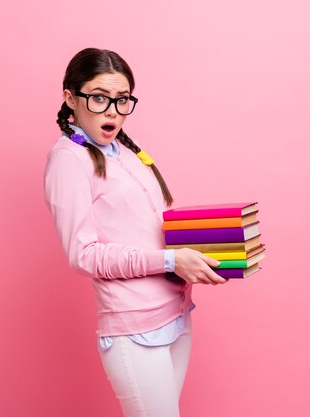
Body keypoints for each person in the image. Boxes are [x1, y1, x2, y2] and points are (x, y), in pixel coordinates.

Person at [43, 48, 228, 417]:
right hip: (134, 328)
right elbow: (84, 255)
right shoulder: (68, 159)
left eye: (122, 100)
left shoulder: (126, 149)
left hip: (176, 313)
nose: (112, 110)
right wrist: (172, 259)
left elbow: (153, 224)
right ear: (70, 97)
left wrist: (212, 245)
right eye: (98, 98)